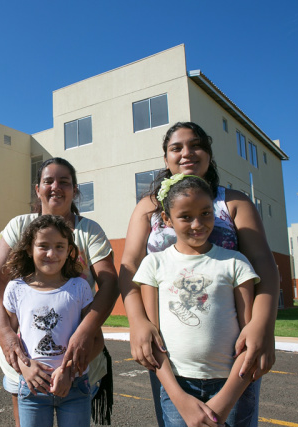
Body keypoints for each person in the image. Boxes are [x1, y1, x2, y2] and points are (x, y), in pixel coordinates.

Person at [120, 122, 279, 426]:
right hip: (173, 354)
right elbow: (129, 268)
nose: (186, 153)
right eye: (176, 148)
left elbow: (265, 266)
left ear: (209, 153)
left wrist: (262, 327)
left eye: (196, 145)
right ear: (165, 158)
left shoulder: (234, 202)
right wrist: (138, 322)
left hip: (231, 352)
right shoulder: (148, 207)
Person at [0, 157, 119, 426]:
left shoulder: (89, 230)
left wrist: (84, 333)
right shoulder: (19, 226)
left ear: (75, 190)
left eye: (64, 182)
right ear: (37, 189)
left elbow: (110, 283)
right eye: (48, 181)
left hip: (78, 363)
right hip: (25, 364)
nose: (55, 186)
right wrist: (6, 335)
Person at [134, 174, 259, 426]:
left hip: (232, 385)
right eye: (185, 216)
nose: (197, 224)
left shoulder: (235, 262)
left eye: (205, 213)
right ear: (167, 220)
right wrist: (178, 397)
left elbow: (250, 336)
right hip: (178, 384)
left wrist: (226, 399)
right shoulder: (153, 264)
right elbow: (154, 340)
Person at [3, 214, 96, 427]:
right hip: (32, 387)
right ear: (29, 249)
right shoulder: (16, 289)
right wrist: (24, 369)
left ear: (69, 251)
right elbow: (8, 343)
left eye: (59, 247)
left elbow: (94, 339)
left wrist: (70, 372)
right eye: (43, 246)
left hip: (74, 386)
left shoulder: (79, 288)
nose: (51, 253)